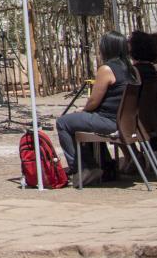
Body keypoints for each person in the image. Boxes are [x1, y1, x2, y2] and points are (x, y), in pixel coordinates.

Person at [56, 31, 138, 185]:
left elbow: (94, 101)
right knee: (81, 122)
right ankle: (101, 164)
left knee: (63, 122)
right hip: (126, 122)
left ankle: (82, 168)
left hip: (109, 120)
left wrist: (83, 110)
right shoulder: (131, 69)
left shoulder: (106, 69)